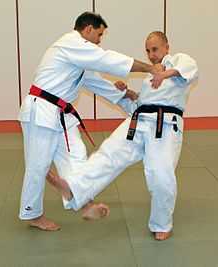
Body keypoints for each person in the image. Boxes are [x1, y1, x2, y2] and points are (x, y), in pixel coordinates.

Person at [46, 31, 199, 240]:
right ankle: (73, 187)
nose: (151, 55)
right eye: (147, 51)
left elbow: (190, 71)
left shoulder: (179, 60)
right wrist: (127, 94)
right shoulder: (148, 79)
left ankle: (162, 223)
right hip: (138, 121)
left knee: (160, 173)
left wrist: (165, 73)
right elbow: (138, 105)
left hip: (165, 125)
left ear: (166, 47)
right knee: (108, 155)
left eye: (155, 49)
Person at [18, 12, 163, 231]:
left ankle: (82, 202)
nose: (99, 40)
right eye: (99, 34)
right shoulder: (70, 43)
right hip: (41, 110)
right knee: (38, 165)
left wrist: (126, 95)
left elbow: (95, 82)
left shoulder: (79, 58)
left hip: (61, 115)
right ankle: (32, 214)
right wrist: (149, 68)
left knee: (77, 156)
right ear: (87, 29)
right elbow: (107, 60)